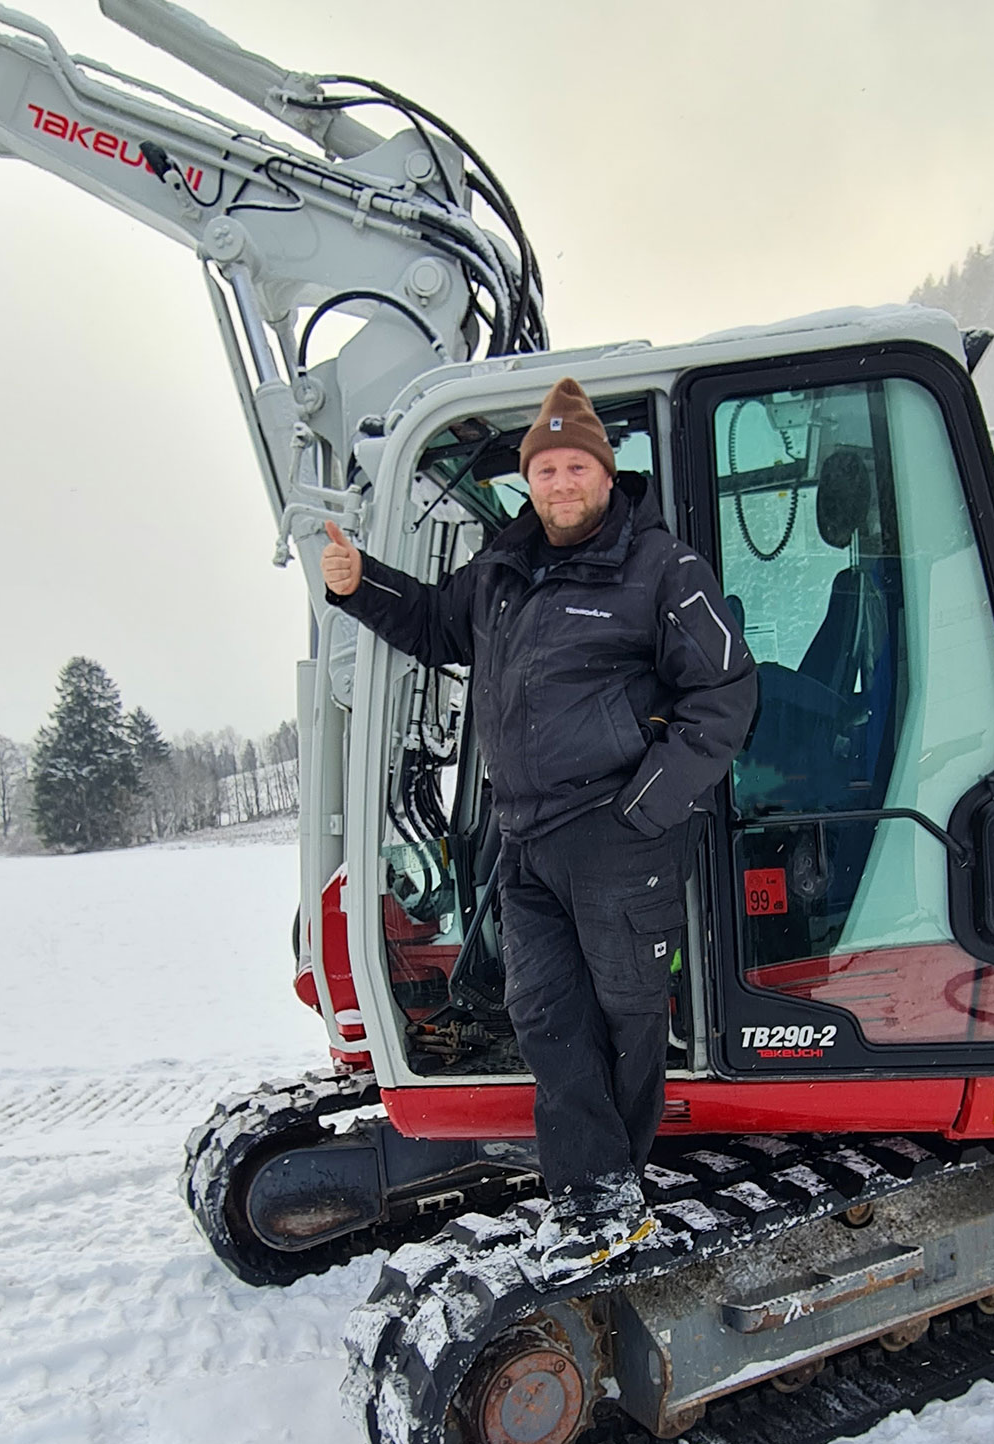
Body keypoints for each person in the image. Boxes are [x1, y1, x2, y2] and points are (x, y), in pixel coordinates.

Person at [322, 376, 756, 1275]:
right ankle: (593, 1196)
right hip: (528, 841)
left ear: (605, 474)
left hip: (616, 831)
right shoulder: (503, 572)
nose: (560, 482)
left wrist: (650, 803)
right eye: (546, 468)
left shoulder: (661, 569)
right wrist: (361, 585)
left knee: (627, 1016)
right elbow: (436, 623)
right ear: (530, 481)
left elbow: (724, 690)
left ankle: (609, 1191)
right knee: (545, 1014)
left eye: (576, 466)